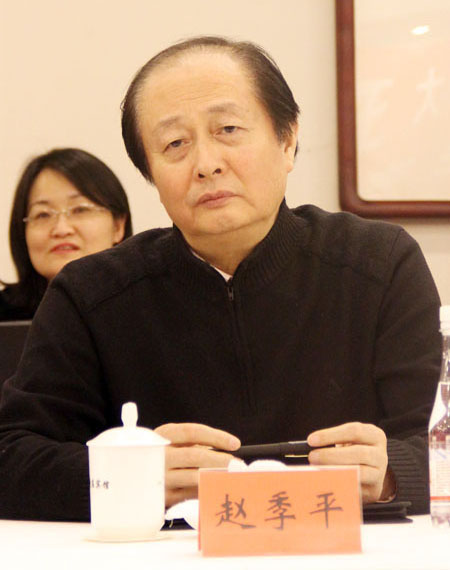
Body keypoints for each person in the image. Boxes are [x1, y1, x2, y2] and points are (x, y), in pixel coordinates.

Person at [0, 37, 441, 521]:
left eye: (228, 129)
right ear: (150, 174)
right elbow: (11, 455)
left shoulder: (380, 263)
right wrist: (128, 477)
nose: (206, 164)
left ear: (287, 140)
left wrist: (392, 473)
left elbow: (437, 440)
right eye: (174, 144)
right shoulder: (91, 294)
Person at [0, 148, 133, 321]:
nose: (61, 229)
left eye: (80, 210)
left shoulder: (148, 309)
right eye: (43, 214)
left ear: (118, 226)